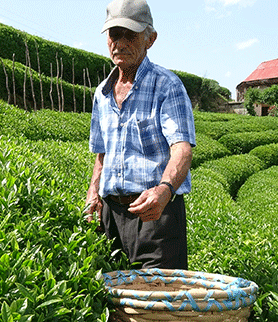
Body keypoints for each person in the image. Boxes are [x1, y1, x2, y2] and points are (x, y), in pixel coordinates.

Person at [84, 0, 196, 269]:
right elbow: (102, 153)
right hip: (111, 214)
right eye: (114, 34)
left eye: (130, 35)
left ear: (150, 39)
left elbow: (181, 148)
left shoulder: (167, 85)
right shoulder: (102, 92)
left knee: (157, 300)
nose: (120, 43)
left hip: (155, 214)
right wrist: (93, 194)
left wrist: (164, 190)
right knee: (115, 302)